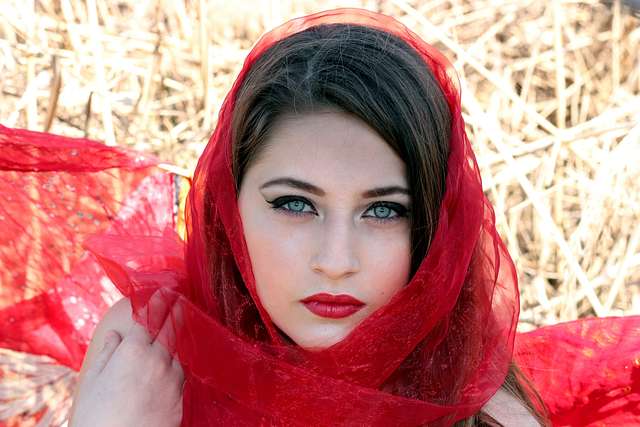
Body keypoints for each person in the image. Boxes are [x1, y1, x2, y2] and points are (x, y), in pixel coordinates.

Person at [2, 7, 639, 427]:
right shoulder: (153, 348)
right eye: (295, 204)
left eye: (384, 210)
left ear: (437, 232)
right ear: (229, 204)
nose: (336, 260)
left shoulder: (481, 415)